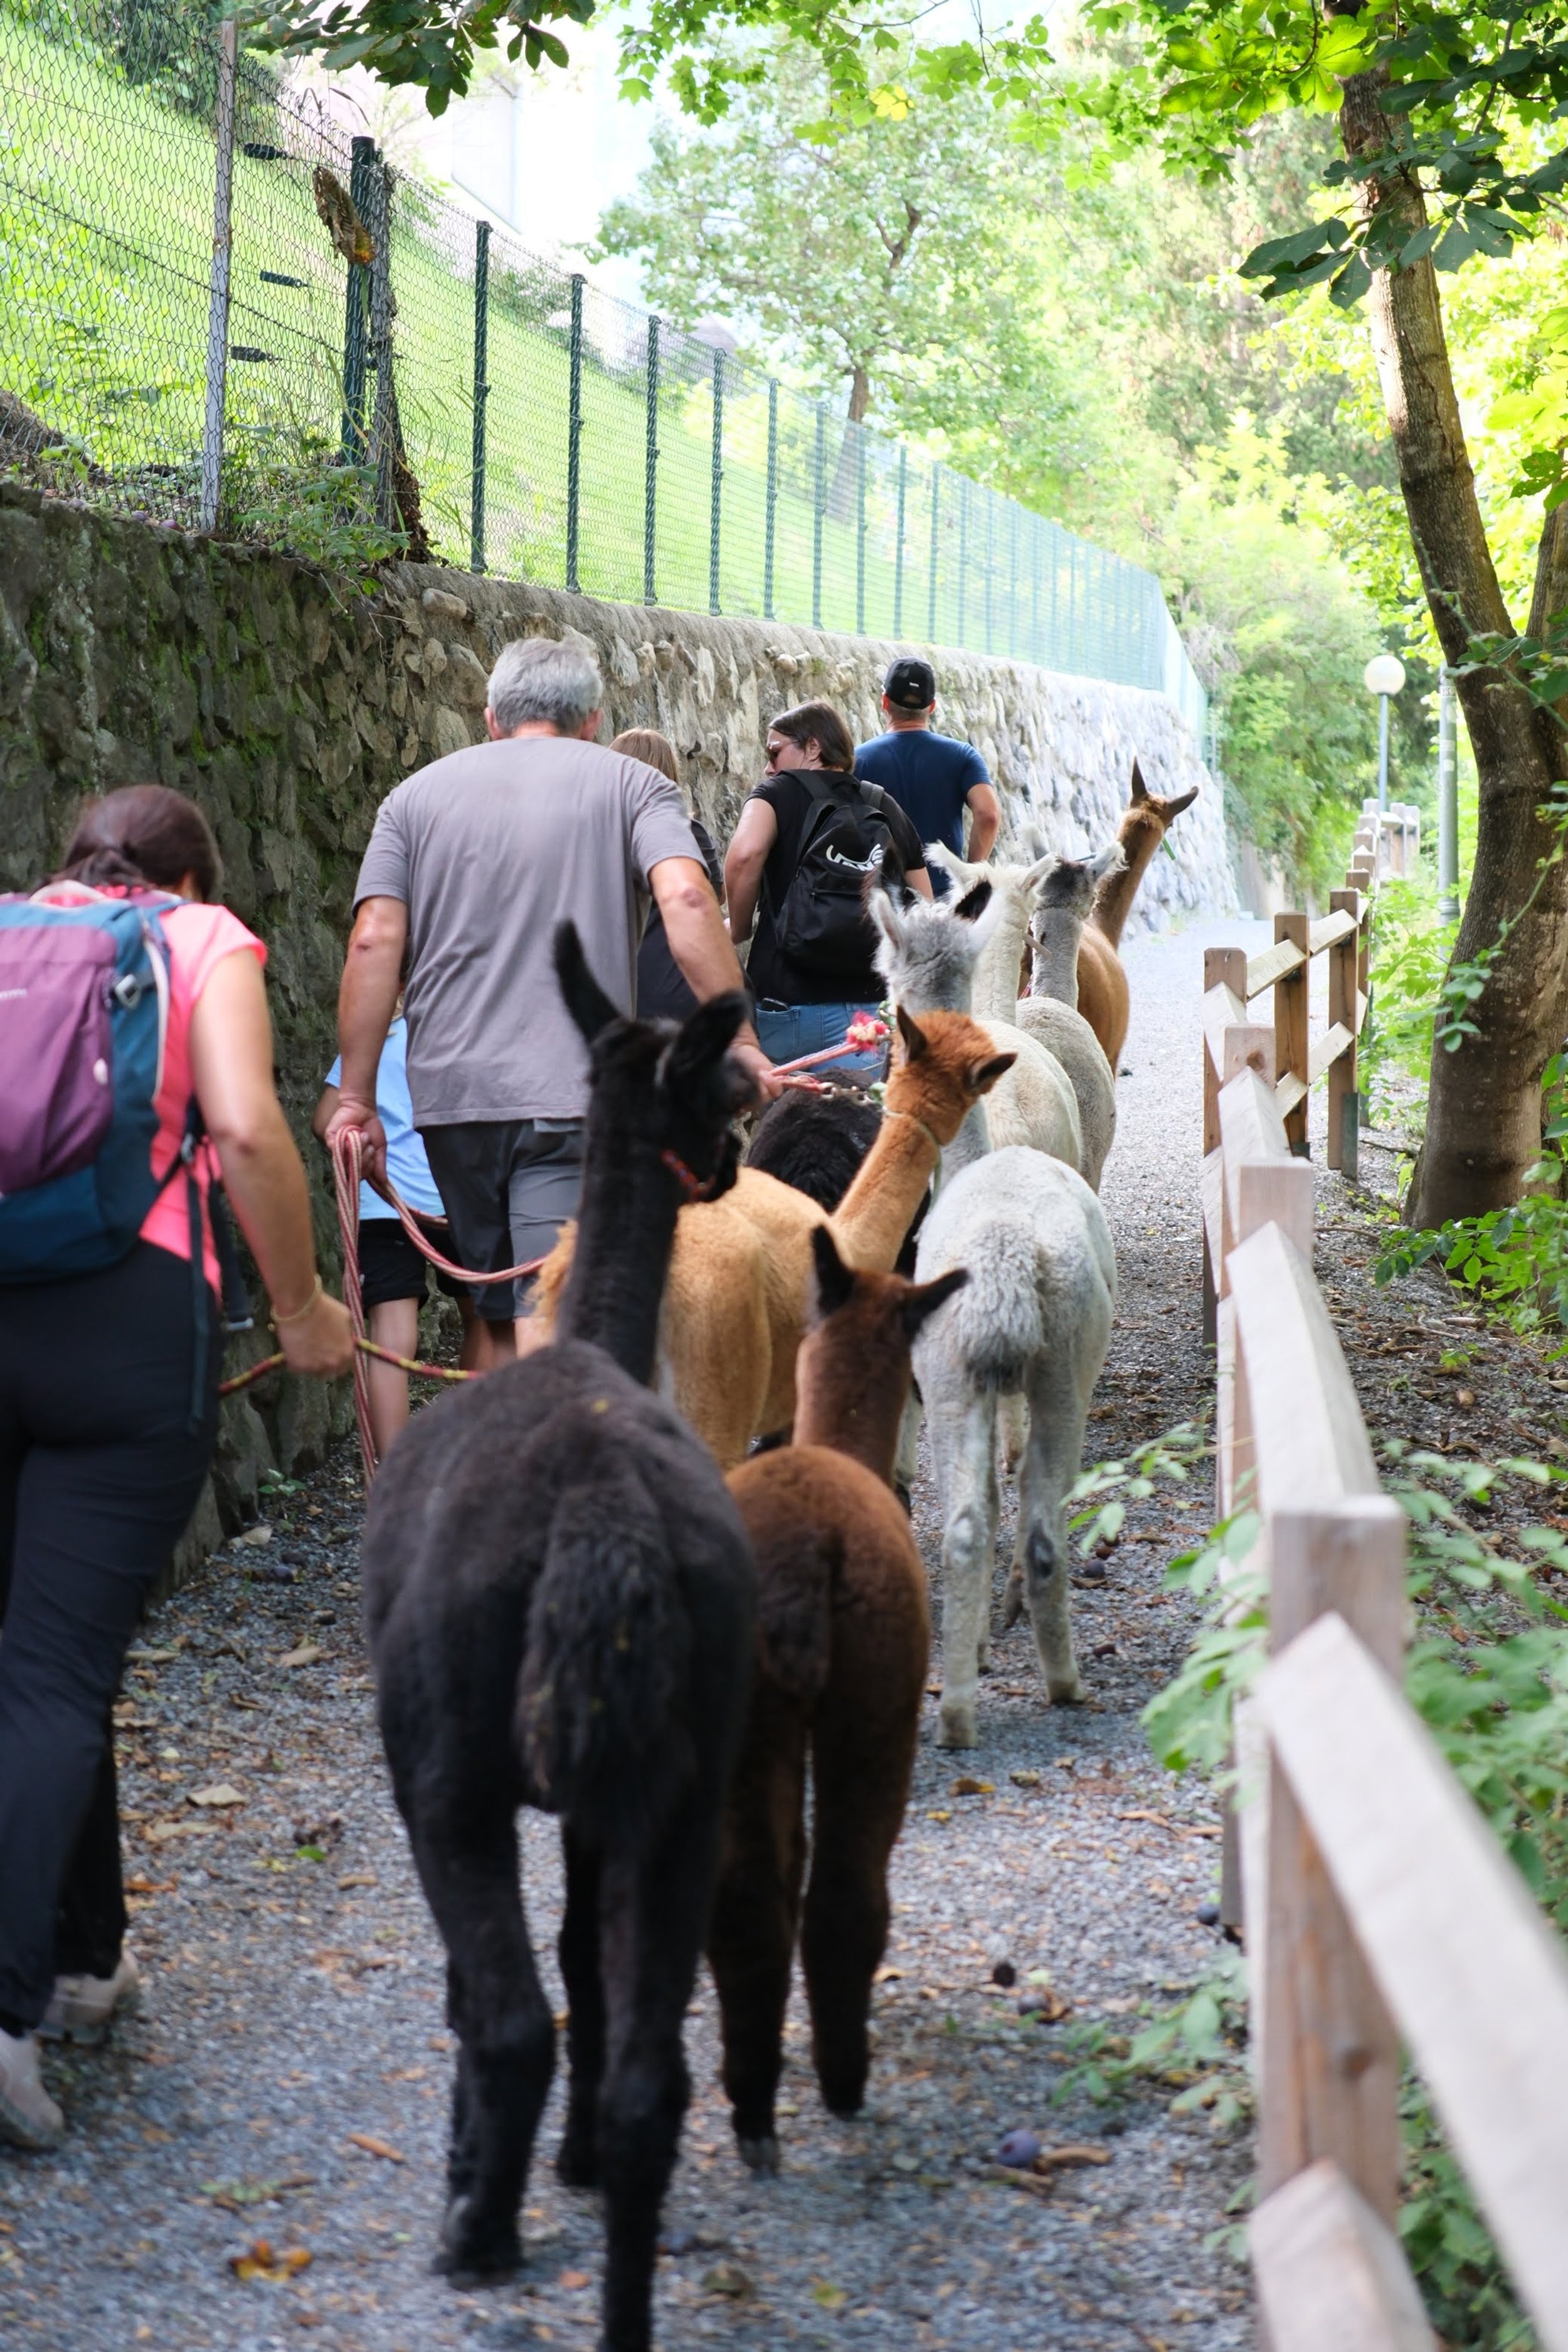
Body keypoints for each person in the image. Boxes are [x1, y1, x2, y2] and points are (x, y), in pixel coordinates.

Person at [0, 786, 354, 2151]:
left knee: (37, 1657)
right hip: (126, 1333)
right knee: (50, 1668)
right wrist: (307, 1307)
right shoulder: (202, 942)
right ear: (194, 874)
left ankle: (87, 1959)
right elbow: (251, 1131)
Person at [327, 634, 775, 1372]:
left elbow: (373, 941)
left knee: (499, 1310)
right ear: (594, 720)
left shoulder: (410, 800)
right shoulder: (634, 786)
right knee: (550, 1310)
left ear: (491, 717)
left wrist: (355, 1098)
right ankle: (557, 1470)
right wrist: (741, 1039)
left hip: (451, 1100)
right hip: (568, 1099)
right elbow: (690, 898)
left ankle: (515, 1473)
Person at [724, 699, 931, 1081]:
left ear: (813, 747)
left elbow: (744, 855)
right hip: (866, 1016)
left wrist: (738, 927)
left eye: (775, 751)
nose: (769, 766)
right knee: (857, 1130)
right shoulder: (885, 805)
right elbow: (926, 906)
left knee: (782, 1133)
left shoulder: (776, 793)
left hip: (784, 1006)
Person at [315, 1012, 480, 1459]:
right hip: (456, 1199)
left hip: (381, 1199)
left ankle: (391, 1479)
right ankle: (472, 1449)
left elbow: (324, 1120)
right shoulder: (463, 1025)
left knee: (390, 1341)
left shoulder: (373, 1038)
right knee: (483, 1318)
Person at [854, 656, 1000, 894]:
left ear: (884, 702)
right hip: (944, 896)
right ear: (931, 707)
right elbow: (989, 814)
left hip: (881, 898)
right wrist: (969, 876)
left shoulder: (858, 760)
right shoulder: (963, 755)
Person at [611, 728, 726, 1024]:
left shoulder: (597, 834)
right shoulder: (688, 832)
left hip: (617, 989)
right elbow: (714, 894)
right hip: (678, 986)